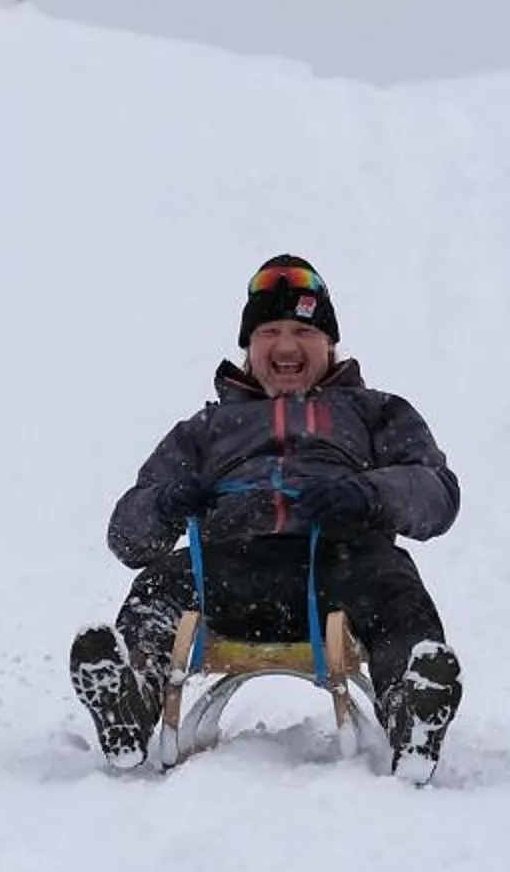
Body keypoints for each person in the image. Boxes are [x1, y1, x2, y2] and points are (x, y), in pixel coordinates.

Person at [68, 254, 464, 772]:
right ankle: (130, 698)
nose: (285, 346)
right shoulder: (205, 430)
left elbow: (437, 494)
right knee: (159, 586)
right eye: (269, 332)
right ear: (248, 347)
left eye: (303, 331)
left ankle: (413, 704)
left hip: (342, 569)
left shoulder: (375, 412)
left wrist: (365, 494)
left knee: (396, 589)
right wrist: (168, 502)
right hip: (230, 575)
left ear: (330, 343)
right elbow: (127, 538)